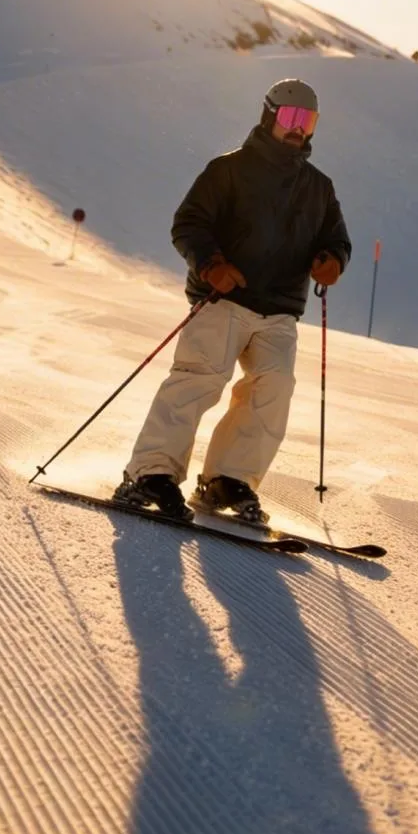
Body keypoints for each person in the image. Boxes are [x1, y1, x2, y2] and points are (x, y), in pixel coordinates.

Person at [113, 78, 351, 524]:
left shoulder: (319, 188)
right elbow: (189, 224)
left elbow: (336, 239)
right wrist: (211, 264)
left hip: (279, 310)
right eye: (291, 118)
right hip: (222, 298)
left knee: (274, 387)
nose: (299, 129)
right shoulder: (228, 170)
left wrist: (332, 260)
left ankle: (227, 479)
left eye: (309, 120)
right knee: (199, 378)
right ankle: (150, 473)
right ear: (269, 116)